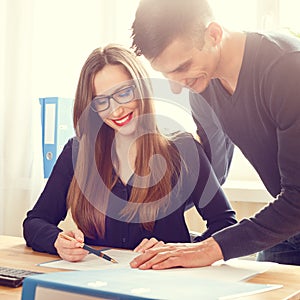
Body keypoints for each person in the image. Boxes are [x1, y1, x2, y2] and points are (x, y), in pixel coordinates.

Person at [23, 44, 237, 262]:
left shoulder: (183, 150)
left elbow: (225, 224)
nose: (116, 110)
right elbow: (35, 222)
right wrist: (57, 241)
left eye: (124, 93)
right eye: (102, 101)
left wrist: (180, 251)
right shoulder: (77, 151)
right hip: (97, 285)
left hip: (164, 285)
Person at [129, 0, 300, 269]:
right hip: (289, 229)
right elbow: (212, 176)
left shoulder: (286, 68)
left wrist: (210, 249)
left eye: (182, 67)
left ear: (214, 34)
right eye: (167, 75)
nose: (176, 88)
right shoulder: (203, 87)